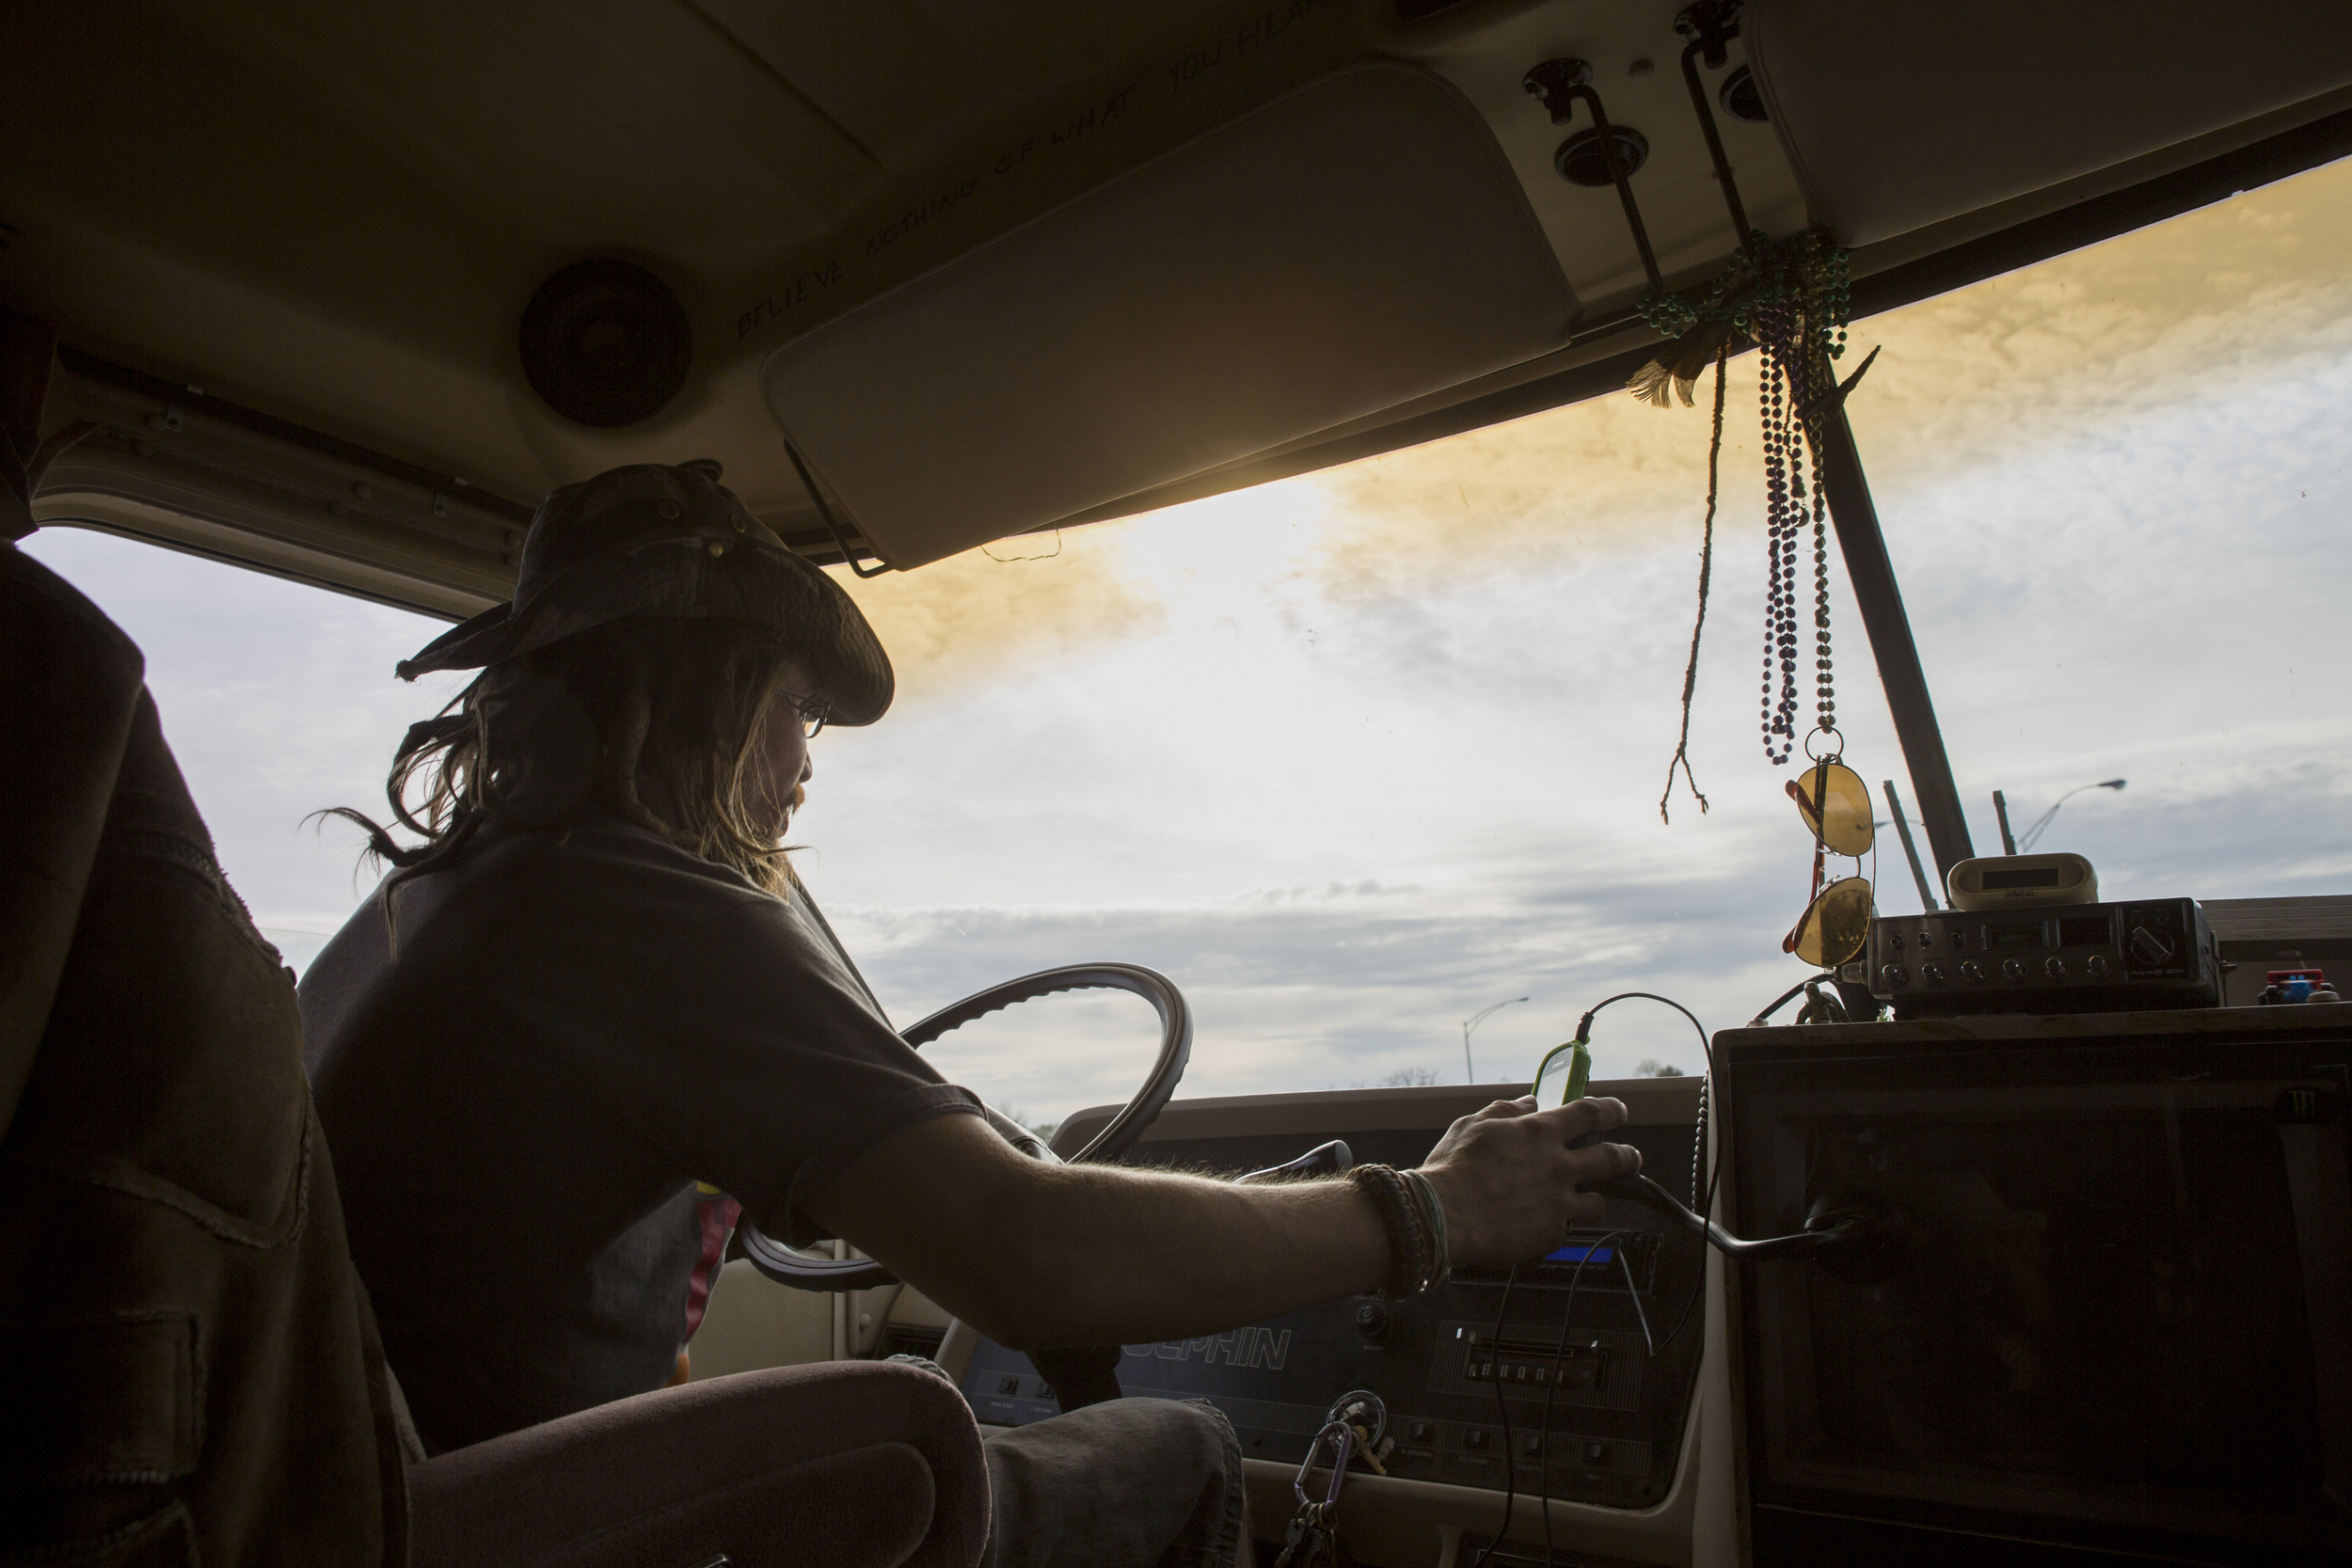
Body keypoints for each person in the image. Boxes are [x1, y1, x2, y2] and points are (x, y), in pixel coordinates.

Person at [299, 460, 1642, 1568]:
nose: (800, 778)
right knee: (1185, 1452)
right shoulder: (633, 902)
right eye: (796, 716)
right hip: (551, 1537)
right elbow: (1025, 1253)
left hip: (458, 1517)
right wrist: (1433, 1212)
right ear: (709, 688)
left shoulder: (433, 910)